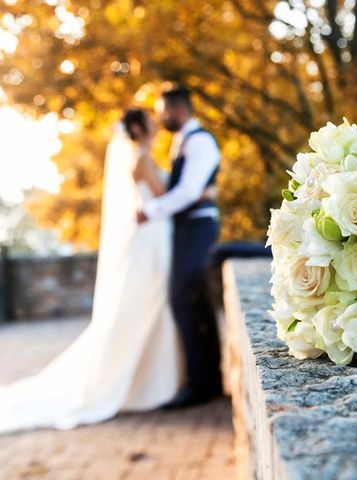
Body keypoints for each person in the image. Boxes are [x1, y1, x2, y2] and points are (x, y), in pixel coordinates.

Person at [0, 109, 182, 433]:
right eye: (150, 122)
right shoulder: (141, 158)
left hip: (153, 238)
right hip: (151, 242)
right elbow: (162, 197)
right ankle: (148, 383)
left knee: (153, 306)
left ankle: (154, 379)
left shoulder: (143, 156)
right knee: (150, 305)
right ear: (139, 129)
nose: (156, 124)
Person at [137, 86, 223, 407]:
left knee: (183, 299)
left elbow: (189, 191)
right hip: (185, 228)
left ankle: (201, 385)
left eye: (163, 111)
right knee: (193, 301)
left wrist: (150, 211)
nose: (161, 118)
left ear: (176, 109)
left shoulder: (200, 141)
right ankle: (206, 381)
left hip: (199, 227)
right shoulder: (181, 141)